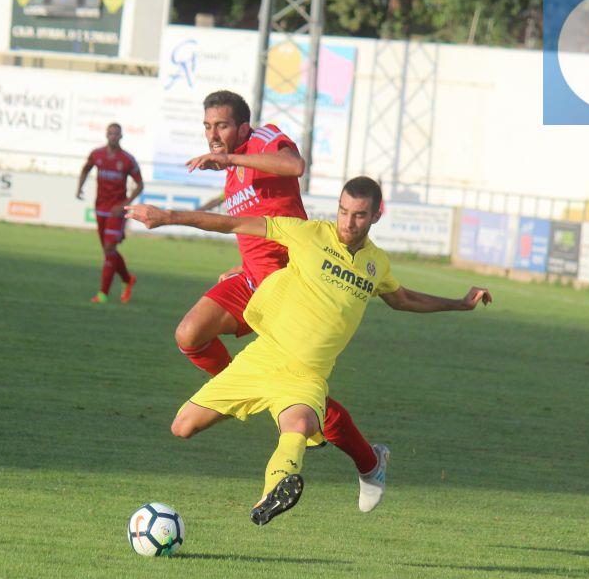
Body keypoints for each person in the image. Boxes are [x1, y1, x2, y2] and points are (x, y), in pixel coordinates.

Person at [127, 176, 492, 525]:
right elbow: (232, 224)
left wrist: (460, 304)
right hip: (262, 357)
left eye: (360, 214)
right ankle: (280, 426)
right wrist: (168, 217)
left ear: (377, 215)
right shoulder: (307, 234)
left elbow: (404, 298)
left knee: (298, 425)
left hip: (305, 376)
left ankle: (272, 494)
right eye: (343, 211)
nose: (349, 221)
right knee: (182, 427)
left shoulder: (376, 265)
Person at [176, 90, 385, 499]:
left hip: (290, 283)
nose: (213, 135)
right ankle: (246, 388)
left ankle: (368, 460)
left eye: (221, 126)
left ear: (242, 126)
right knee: (189, 335)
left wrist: (231, 158)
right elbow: (256, 226)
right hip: (253, 278)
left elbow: (295, 165)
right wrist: (243, 266)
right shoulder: (232, 166)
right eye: (207, 127)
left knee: (299, 383)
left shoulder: (261, 141)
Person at [76, 122, 143, 304]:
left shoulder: (127, 159)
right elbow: (85, 169)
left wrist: (125, 204)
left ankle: (103, 293)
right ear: (106, 135)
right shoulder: (97, 154)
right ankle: (128, 279)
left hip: (116, 212)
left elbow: (140, 185)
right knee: (109, 251)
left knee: (109, 249)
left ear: (121, 136)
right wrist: (79, 187)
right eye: (110, 133)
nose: (113, 136)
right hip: (100, 209)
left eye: (116, 133)